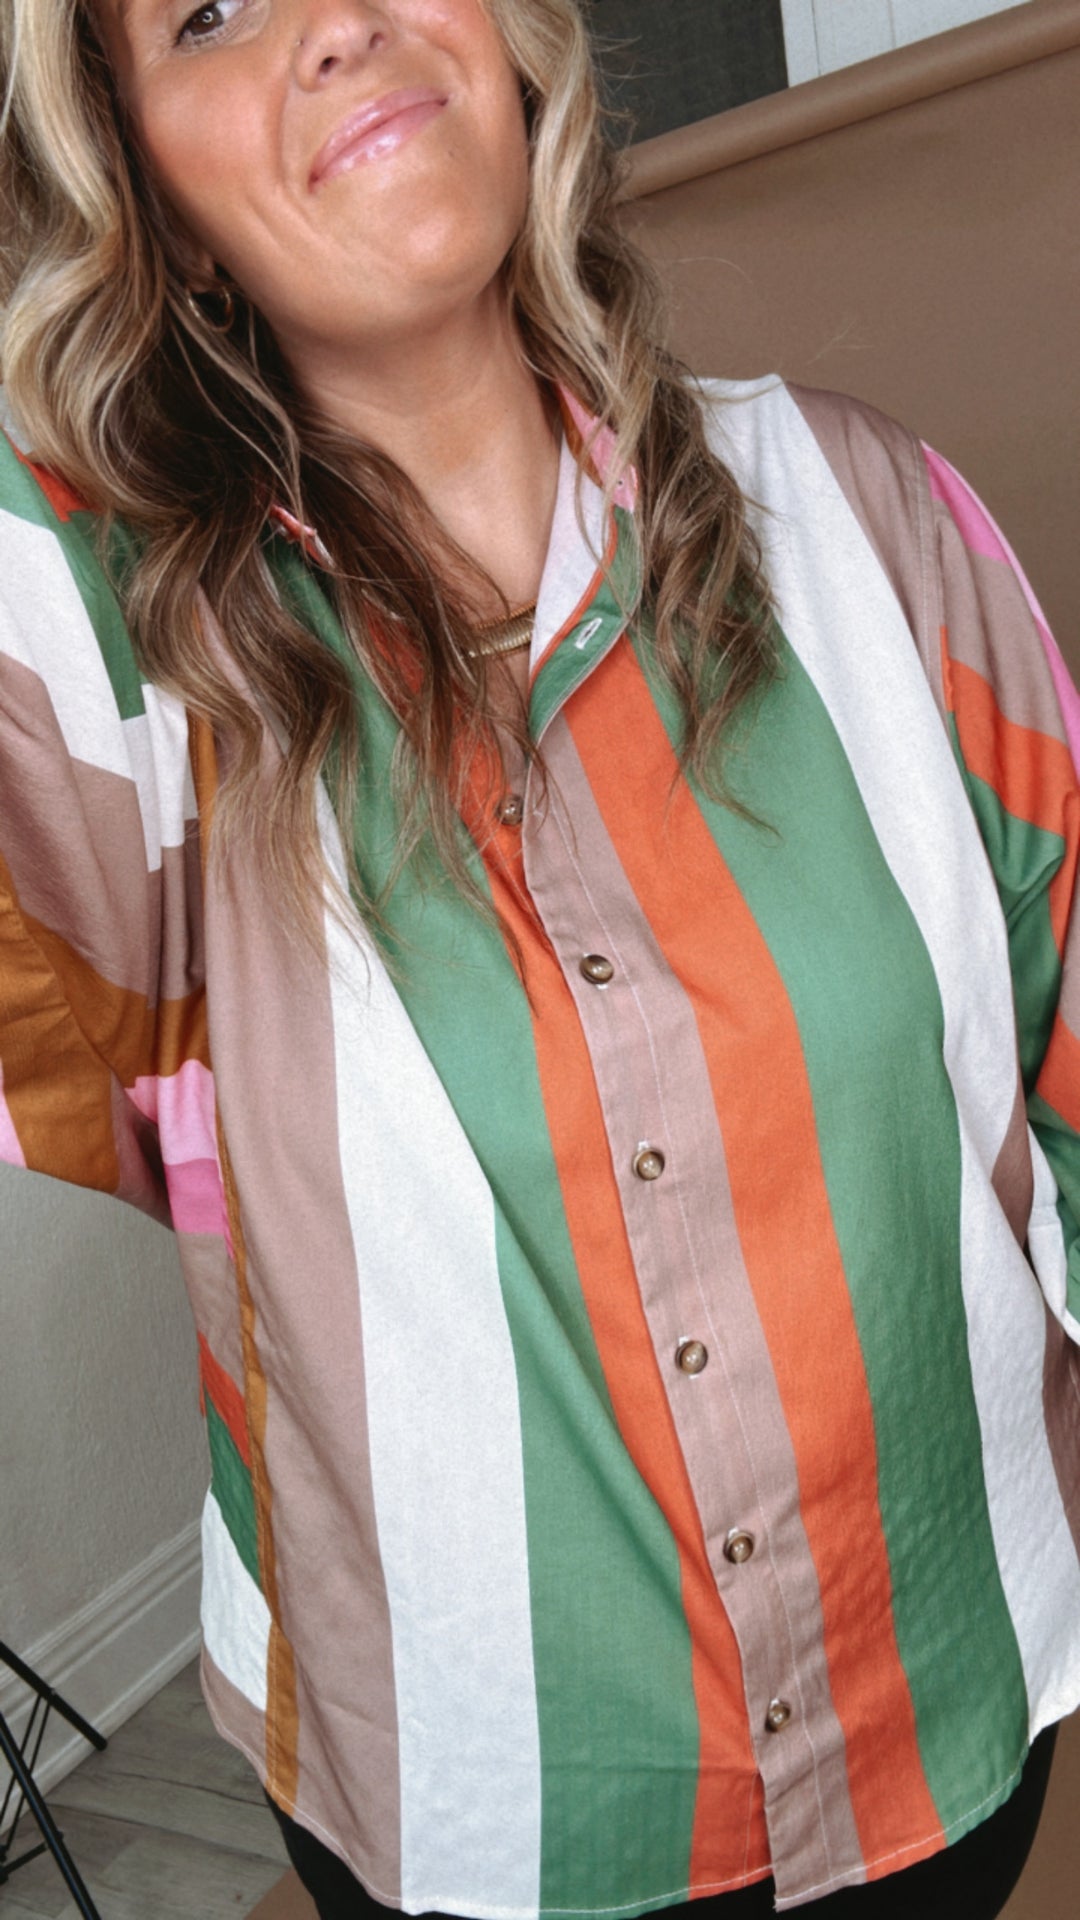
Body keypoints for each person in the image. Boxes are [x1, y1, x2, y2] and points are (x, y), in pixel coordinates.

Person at [0, 2, 1077, 1916]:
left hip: (952, 1709)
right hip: (480, 1824)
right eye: (209, 9)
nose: (336, 21)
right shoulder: (129, 708)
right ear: (144, 192)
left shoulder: (877, 518)